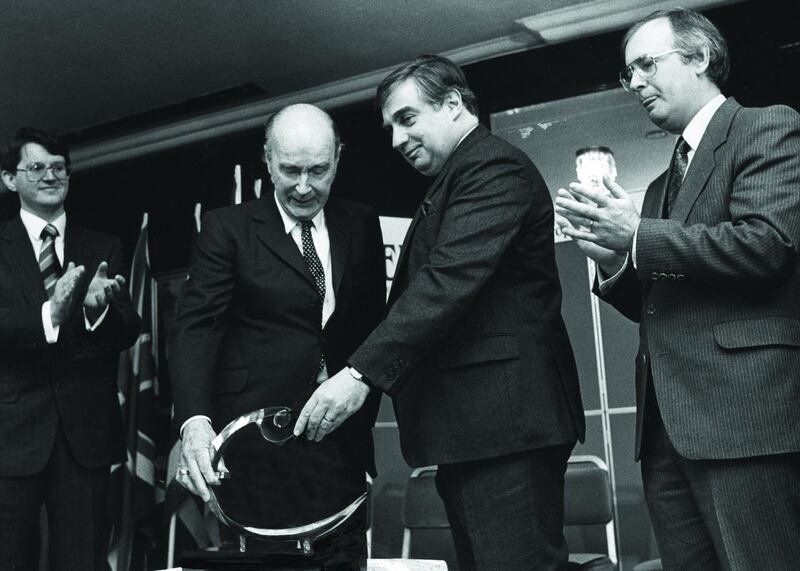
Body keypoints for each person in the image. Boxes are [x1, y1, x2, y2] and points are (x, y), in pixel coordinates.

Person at [295, 55, 585, 570]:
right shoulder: (460, 175)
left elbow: (446, 283)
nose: (396, 140)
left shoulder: (492, 167)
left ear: (453, 104)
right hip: (480, 431)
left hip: (505, 429)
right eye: (390, 128)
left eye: (407, 118)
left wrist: (359, 374)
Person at [555, 8, 800, 569]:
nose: (635, 82)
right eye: (628, 73)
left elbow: (766, 246)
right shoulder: (659, 185)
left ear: (700, 57)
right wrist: (614, 261)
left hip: (745, 423)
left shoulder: (767, 127)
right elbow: (660, 306)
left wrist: (637, 235)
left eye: (646, 64)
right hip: (666, 434)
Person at [170, 104, 385, 569]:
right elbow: (196, 329)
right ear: (267, 160)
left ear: (338, 158)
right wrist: (195, 423)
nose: (304, 186)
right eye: (290, 170)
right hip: (254, 452)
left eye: (318, 170)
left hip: (339, 450)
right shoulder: (227, 228)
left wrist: (363, 407)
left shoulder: (361, 222)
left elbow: (371, 327)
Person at [0, 127, 141, 570]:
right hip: (11, 436)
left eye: (59, 167)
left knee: (84, 561)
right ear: (9, 179)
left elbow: (129, 329)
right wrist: (51, 314)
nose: (50, 176)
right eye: (36, 167)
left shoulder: (103, 245)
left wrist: (97, 312)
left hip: (86, 435)